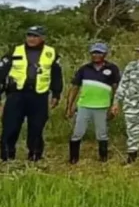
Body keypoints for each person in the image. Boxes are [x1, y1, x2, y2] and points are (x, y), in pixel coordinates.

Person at [0, 26, 63, 162]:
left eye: (35, 36)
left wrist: (56, 94)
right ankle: (6, 158)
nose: (31, 38)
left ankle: (34, 157)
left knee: (36, 127)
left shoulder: (51, 53)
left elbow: (56, 75)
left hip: (38, 96)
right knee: (10, 126)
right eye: (29, 35)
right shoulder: (14, 51)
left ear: (42, 38)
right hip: (16, 95)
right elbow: (1, 73)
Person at [66, 42, 120, 164]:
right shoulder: (84, 69)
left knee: (102, 134)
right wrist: (69, 107)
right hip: (84, 105)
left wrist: (114, 105)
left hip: (102, 106)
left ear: (105, 54)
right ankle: (73, 159)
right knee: (77, 132)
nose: (96, 55)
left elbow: (116, 89)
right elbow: (75, 87)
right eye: (94, 52)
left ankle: (103, 159)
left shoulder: (112, 69)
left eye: (99, 52)